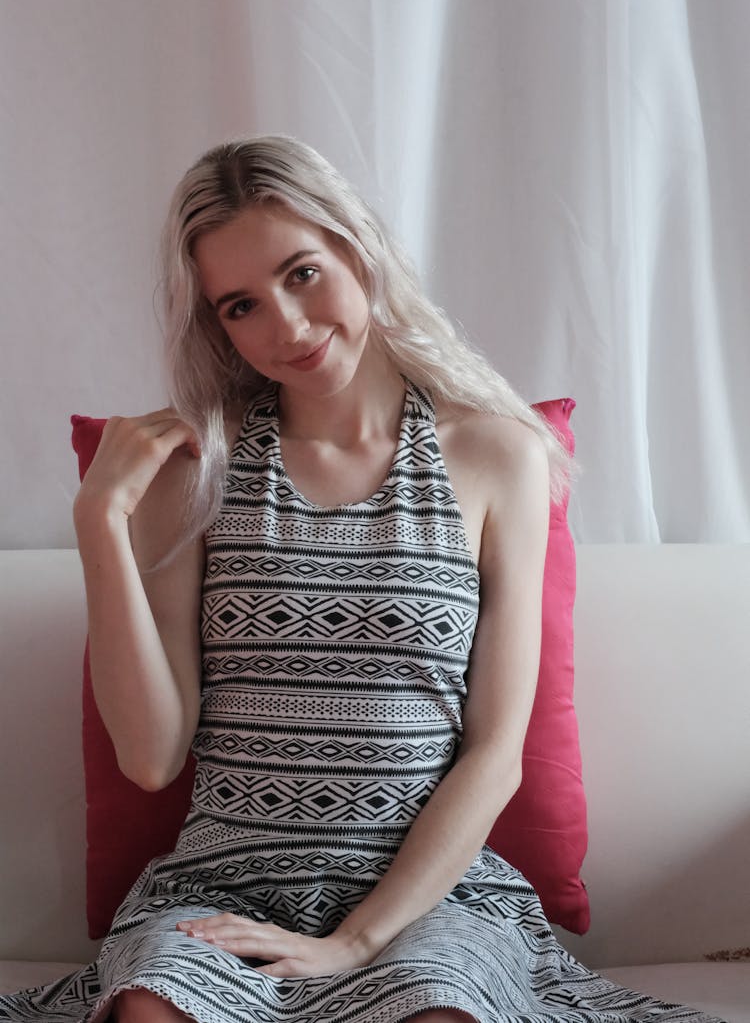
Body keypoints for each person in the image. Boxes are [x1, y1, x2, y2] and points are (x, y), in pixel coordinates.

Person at [0, 137, 718, 1023]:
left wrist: (356, 941)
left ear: (357, 247)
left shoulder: (497, 454)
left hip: (428, 899)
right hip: (225, 888)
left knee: (435, 1011)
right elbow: (151, 757)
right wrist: (99, 521)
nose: (287, 328)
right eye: (242, 305)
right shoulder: (198, 471)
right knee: (152, 1012)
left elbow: (495, 751)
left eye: (303, 274)